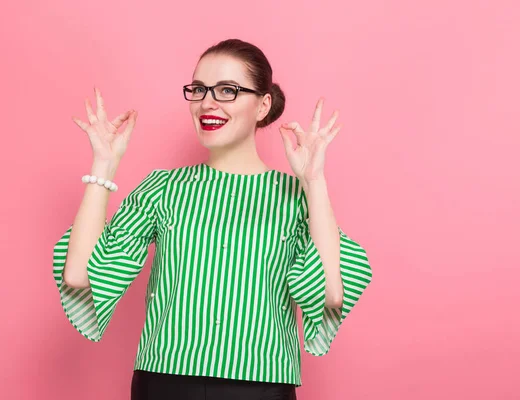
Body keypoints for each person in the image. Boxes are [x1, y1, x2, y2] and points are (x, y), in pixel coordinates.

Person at [52, 38, 373, 400]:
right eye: (200, 89)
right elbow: (79, 275)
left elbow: (330, 294)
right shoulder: (162, 188)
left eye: (227, 90)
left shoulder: (296, 198)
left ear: (263, 104)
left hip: (262, 386)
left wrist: (314, 181)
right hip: (164, 381)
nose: (207, 102)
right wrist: (103, 165)